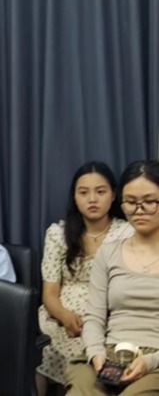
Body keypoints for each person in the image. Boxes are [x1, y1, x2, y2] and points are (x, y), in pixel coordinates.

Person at [36, 161, 133, 395]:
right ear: (74, 197)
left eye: (100, 192)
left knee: (97, 347)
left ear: (113, 196)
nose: (92, 199)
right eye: (83, 192)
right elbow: (49, 293)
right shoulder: (58, 234)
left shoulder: (127, 232)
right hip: (61, 317)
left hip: (110, 315)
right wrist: (65, 317)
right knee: (44, 348)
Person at [66, 160, 159, 395]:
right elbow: (94, 317)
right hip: (111, 354)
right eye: (130, 202)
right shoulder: (108, 253)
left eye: (149, 202)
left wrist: (150, 361)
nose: (139, 210)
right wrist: (96, 353)